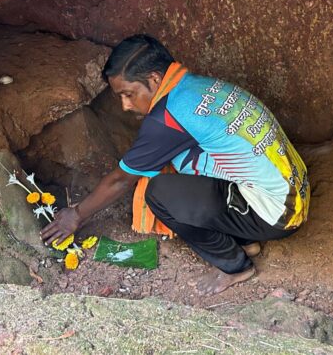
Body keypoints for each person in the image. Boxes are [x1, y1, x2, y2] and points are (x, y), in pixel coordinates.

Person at [41, 34, 310, 294]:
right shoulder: (196, 87)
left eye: (128, 94)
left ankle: (234, 266)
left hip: (277, 214)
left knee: (160, 193)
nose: (125, 105)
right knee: (180, 160)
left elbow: (121, 180)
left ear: (154, 79)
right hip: (294, 189)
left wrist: (76, 215)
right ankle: (245, 241)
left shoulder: (167, 119)